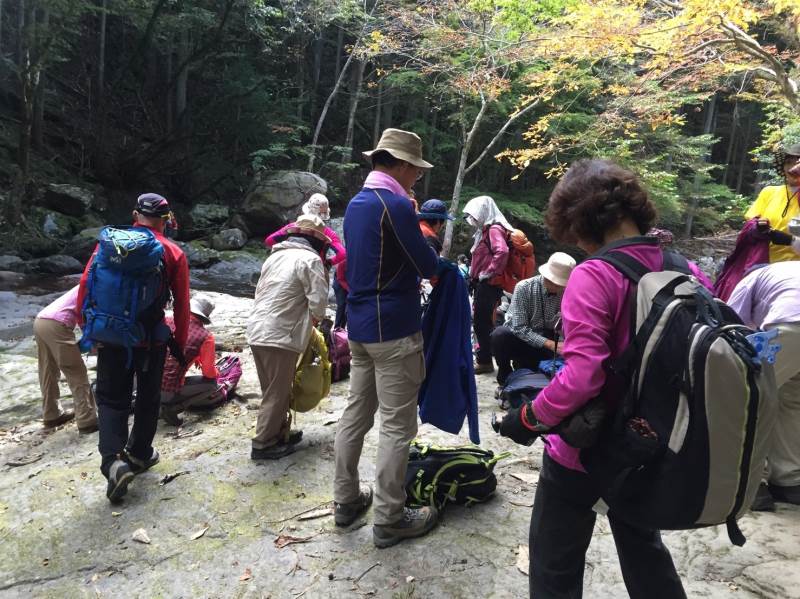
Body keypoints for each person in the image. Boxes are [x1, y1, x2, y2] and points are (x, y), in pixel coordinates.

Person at [498, 160, 688, 598]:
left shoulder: (595, 274)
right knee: (645, 552)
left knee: (554, 562)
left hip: (585, 448)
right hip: (649, 444)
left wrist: (529, 417)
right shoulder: (680, 267)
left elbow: (583, 378)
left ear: (582, 218)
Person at [333, 128, 439, 548]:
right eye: (416, 170)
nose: (417, 177)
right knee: (397, 425)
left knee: (356, 414)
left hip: (359, 328)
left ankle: (346, 500)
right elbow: (427, 263)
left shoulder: (356, 204)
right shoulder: (394, 205)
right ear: (402, 165)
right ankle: (390, 517)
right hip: (394, 329)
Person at [77, 193, 190, 502]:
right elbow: (182, 305)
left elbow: (86, 285)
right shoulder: (172, 252)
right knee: (148, 398)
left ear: (135, 215)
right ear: (166, 220)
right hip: (150, 340)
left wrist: (89, 328)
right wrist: (179, 345)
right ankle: (139, 454)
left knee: (111, 398)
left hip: (111, 336)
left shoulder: (109, 243)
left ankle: (112, 462)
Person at [247, 214, 330, 460]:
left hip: (257, 329)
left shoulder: (274, 257)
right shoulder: (310, 260)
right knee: (278, 391)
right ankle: (263, 443)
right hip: (282, 334)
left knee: (272, 388)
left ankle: (279, 432)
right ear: (315, 241)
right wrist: (315, 322)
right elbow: (319, 302)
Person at [728, 261, 800, 510]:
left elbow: (731, 326)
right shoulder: (786, 272)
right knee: (792, 399)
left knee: (746, 396)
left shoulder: (750, 280)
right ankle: (790, 480)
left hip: (793, 323)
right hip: (793, 323)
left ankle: (748, 483)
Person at [490, 252, 576, 387]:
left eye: (561, 285)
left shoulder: (569, 292)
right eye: (553, 282)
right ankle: (504, 376)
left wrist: (564, 344)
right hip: (523, 339)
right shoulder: (524, 287)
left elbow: (569, 324)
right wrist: (550, 344)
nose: (557, 287)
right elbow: (519, 328)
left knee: (535, 374)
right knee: (499, 335)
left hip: (549, 343)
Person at [33, 285, 98, 433]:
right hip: (58, 324)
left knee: (48, 370)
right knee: (76, 372)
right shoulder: (96, 284)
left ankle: (51, 414)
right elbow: (90, 316)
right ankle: (87, 421)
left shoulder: (88, 281)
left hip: (41, 320)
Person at [462, 195, 512, 374]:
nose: (473, 219)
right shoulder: (486, 230)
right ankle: (487, 357)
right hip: (485, 284)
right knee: (484, 321)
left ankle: (484, 361)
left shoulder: (494, 229)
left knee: (481, 323)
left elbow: (502, 251)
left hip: (488, 284)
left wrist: (488, 272)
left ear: (483, 212)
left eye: (475, 215)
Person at [160, 295, 221, 426]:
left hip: (145, 384)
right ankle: (173, 408)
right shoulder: (206, 337)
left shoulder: (167, 320)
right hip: (166, 392)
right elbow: (209, 373)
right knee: (212, 385)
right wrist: (217, 372)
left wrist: (196, 357)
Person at [744, 142, 800, 263]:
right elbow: (749, 225)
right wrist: (759, 227)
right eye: (788, 162)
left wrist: (789, 240)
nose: (792, 168)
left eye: (797, 163)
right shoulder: (769, 192)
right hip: (762, 263)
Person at [265, 193, 346, 266]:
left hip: (286, 261)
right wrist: (328, 263)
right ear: (324, 215)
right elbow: (342, 254)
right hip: (314, 265)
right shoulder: (329, 233)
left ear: (306, 210)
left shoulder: (292, 226)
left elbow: (269, 241)